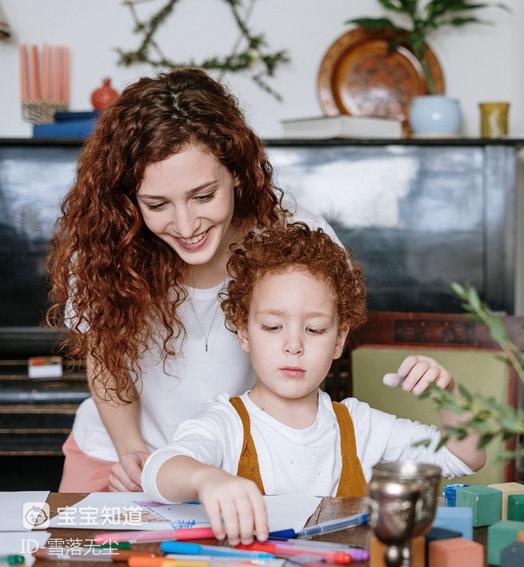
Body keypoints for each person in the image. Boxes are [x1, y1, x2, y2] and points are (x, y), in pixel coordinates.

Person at [47, 69, 338, 492]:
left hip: (240, 459)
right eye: (157, 204)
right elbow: (106, 360)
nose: (186, 225)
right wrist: (131, 452)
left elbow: (310, 360)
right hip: (114, 455)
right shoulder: (102, 248)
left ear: (236, 171)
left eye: (203, 196)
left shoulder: (297, 242)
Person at [140, 222, 486, 545]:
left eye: (315, 329)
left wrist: (450, 397)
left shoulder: (360, 427)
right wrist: (207, 479)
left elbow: (467, 456)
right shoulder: (227, 425)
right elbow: (159, 470)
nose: (294, 345)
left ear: (338, 340)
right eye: (273, 327)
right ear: (244, 333)